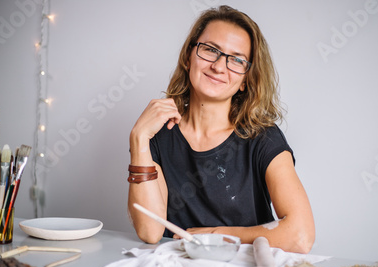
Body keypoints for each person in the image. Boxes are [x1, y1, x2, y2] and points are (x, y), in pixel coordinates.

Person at [128, 5, 315, 253]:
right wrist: (139, 138)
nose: (219, 66)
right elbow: (150, 231)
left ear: (245, 80)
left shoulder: (262, 137)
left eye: (236, 60)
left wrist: (216, 235)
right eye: (210, 50)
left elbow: (301, 236)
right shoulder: (158, 135)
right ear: (188, 57)